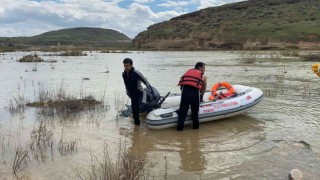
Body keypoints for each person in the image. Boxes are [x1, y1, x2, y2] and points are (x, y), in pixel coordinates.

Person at [122, 58, 154, 125]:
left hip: (141, 93)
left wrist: (152, 92)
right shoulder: (124, 74)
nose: (126, 67)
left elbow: (146, 82)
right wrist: (128, 93)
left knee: (143, 106)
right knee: (135, 111)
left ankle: (153, 107)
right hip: (133, 95)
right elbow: (126, 84)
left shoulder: (136, 73)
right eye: (124, 65)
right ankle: (137, 127)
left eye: (127, 65)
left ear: (131, 65)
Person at [177, 62, 207, 131]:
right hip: (195, 95)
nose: (204, 70)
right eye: (204, 68)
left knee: (182, 115)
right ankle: (195, 133)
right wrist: (201, 97)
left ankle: (179, 130)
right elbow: (203, 88)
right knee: (195, 115)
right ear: (200, 67)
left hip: (185, 95)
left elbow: (182, 85)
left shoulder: (187, 72)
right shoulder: (203, 77)